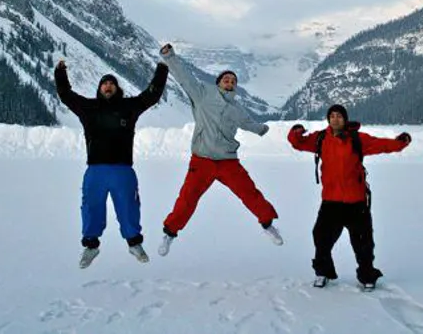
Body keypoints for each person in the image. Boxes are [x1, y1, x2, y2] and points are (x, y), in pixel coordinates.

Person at [156, 43, 282, 256]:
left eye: (233, 80)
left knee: (249, 193)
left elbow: (248, 123)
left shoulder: (237, 108)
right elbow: (185, 77)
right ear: (218, 82)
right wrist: (170, 57)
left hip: (227, 161)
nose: (229, 82)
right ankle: (169, 234)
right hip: (202, 160)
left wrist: (263, 129)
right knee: (187, 199)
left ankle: (268, 225)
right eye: (226, 79)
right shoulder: (202, 95)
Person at [54, 58, 168, 269]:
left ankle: (134, 243)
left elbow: (151, 95)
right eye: (104, 83)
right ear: (99, 88)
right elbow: (66, 96)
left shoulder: (129, 107)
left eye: (112, 83)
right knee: (90, 207)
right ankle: (91, 246)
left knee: (129, 207)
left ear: (117, 88)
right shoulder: (88, 108)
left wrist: (162, 69)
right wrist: (60, 73)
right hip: (95, 169)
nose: (108, 86)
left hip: (122, 170)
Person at [287, 104, 411, 289]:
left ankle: (367, 276)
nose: (335, 119)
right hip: (331, 201)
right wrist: (295, 132)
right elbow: (298, 143)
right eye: (332, 116)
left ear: (345, 119)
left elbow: (381, 145)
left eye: (339, 116)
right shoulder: (321, 138)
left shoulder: (357, 139)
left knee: (363, 243)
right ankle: (323, 273)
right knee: (321, 237)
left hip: (356, 202)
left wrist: (400, 142)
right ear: (328, 119)